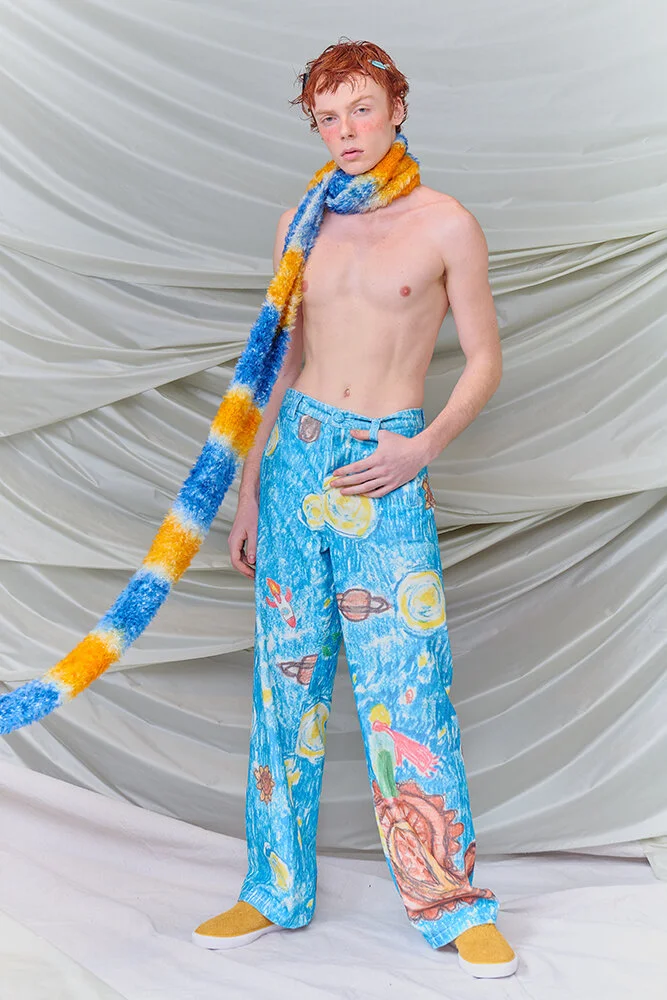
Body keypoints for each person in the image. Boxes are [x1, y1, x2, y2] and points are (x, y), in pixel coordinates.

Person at [192, 40, 518, 979]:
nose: (344, 132)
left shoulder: (445, 223)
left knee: (406, 688)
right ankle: (273, 887)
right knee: (283, 686)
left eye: (361, 110)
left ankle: (450, 902)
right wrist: (251, 491)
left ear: (396, 108)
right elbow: (284, 362)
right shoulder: (302, 223)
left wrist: (422, 447)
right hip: (296, 460)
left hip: (386, 461)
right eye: (327, 117)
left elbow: (486, 359)